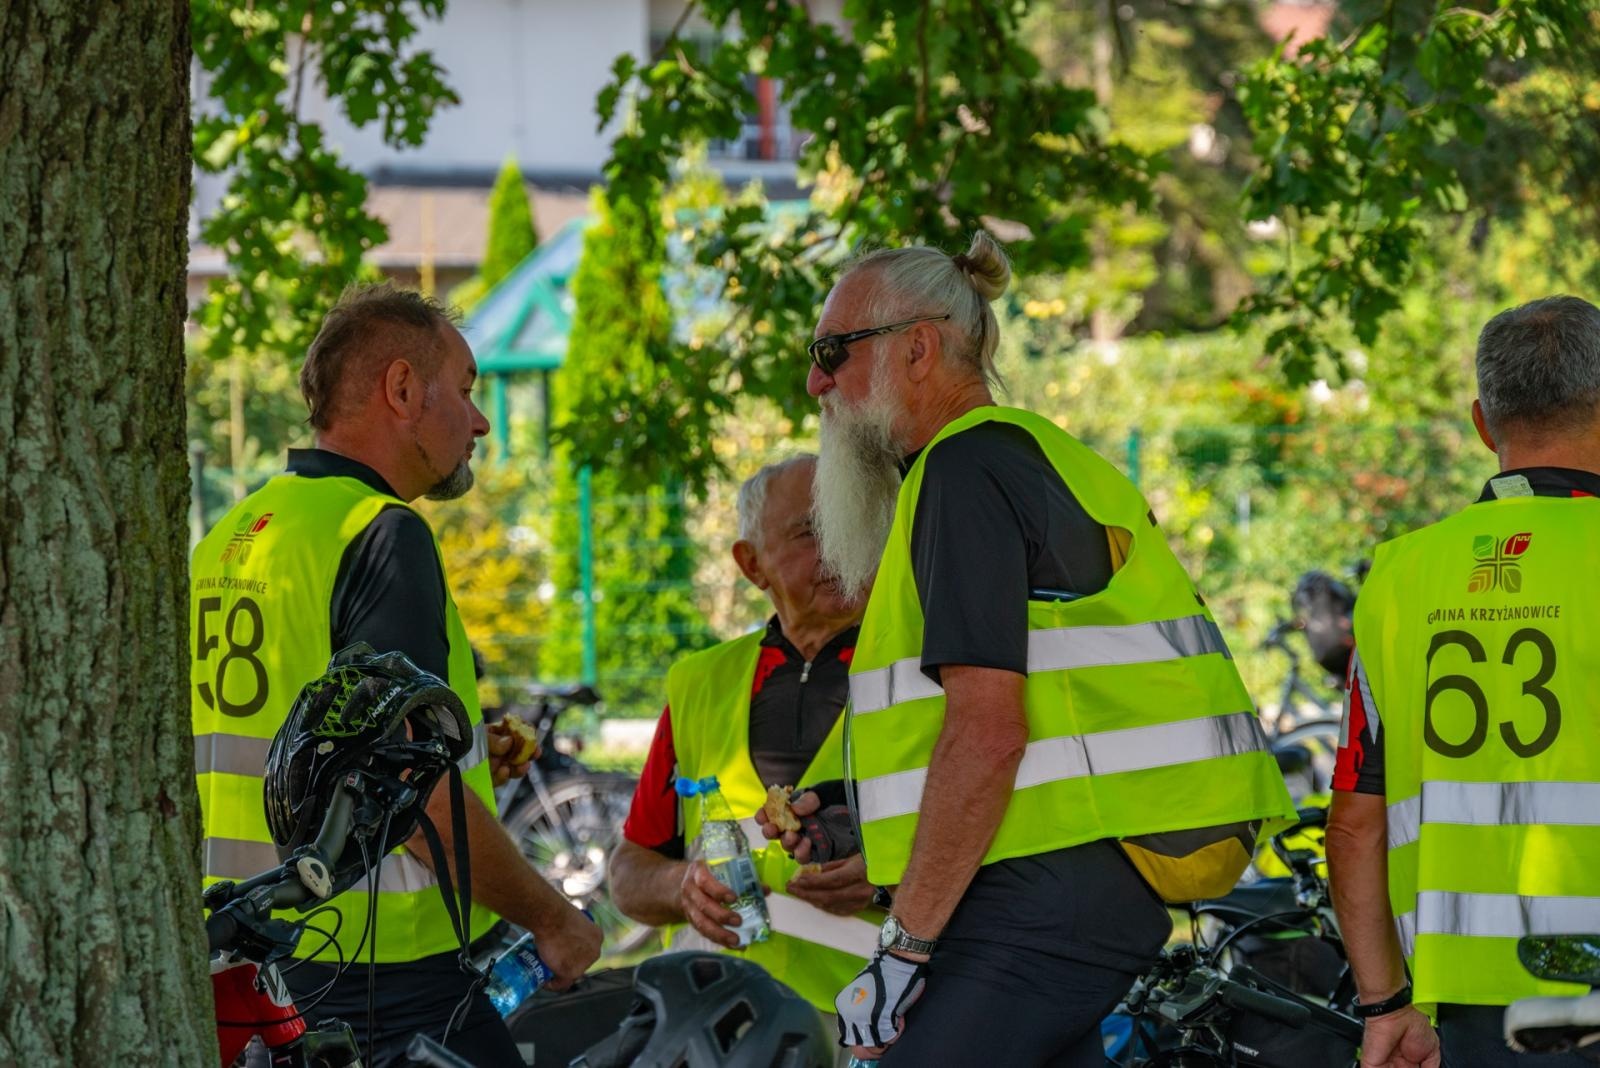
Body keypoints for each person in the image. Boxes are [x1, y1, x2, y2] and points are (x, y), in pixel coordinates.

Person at [764, 234, 1294, 1065]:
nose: (815, 381)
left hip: (1050, 896)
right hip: (1077, 884)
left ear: (917, 348)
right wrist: (851, 816)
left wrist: (904, 949)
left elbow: (988, 731)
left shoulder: (963, 469)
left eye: (832, 351)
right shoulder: (1033, 458)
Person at [191, 283, 601, 1066]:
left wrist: (473, 745)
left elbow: (295, 725)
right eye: (469, 389)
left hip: (254, 960)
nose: (480, 421)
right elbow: (407, 793)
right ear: (404, 389)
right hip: (383, 964)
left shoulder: (233, 532)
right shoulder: (380, 534)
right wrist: (554, 919)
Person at [1327, 295, 1600, 1068]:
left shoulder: (1399, 576)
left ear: (1483, 423)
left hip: (1470, 1010)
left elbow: (1354, 822)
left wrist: (1385, 1006)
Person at [610, 455, 884, 1019]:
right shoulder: (698, 682)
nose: (837, 548)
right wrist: (679, 884)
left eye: (850, 523)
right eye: (811, 531)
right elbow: (628, 873)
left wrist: (890, 887)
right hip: (717, 1020)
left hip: (872, 1022)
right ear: (751, 564)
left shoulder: (927, 672)